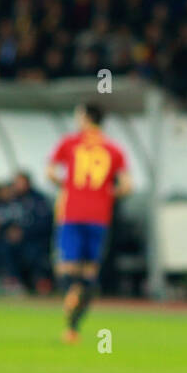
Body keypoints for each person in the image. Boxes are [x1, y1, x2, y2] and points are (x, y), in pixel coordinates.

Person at [45, 104, 131, 343]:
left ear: (85, 118)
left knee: (66, 268)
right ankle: (73, 329)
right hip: (99, 215)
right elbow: (127, 185)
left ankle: (71, 297)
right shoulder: (114, 149)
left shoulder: (70, 143)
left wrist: (69, 186)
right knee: (90, 271)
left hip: (72, 212)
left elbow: (51, 173)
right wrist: (106, 194)